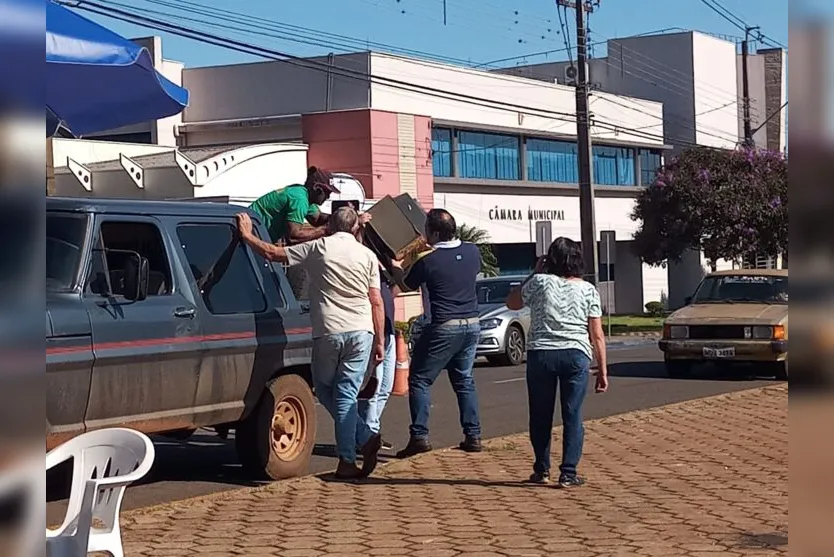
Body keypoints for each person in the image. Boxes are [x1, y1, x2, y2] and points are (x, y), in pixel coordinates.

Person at [236, 207, 385, 480]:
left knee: (329, 391)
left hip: (329, 330)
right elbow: (376, 300)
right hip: (362, 331)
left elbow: (273, 253)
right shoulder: (367, 256)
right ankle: (364, 437)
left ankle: (349, 458)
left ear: (330, 226)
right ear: (355, 229)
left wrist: (247, 236)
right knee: (345, 395)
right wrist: (380, 340)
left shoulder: (320, 248)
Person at [506, 237, 609, 489]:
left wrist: (534, 272)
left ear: (549, 260)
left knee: (540, 415)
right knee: (572, 414)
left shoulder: (540, 282)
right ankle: (568, 472)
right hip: (576, 354)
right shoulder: (587, 289)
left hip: (541, 354)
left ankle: (541, 469)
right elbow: (596, 334)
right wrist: (603, 370)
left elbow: (512, 302)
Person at [390, 208, 483, 458]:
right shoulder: (473, 251)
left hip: (444, 324)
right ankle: (472, 434)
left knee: (419, 380)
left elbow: (406, 285)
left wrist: (396, 267)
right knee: (464, 379)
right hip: (472, 323)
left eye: (427, 230)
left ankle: (419, 436)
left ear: (435, 232)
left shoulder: (427, 260)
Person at [357, 266, 397, 451]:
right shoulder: (366, 267)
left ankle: (369, 431)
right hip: (373, 334)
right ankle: (367, 436)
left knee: (386, 387)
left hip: (388, 332)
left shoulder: (385, 272)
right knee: (372, 388)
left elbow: (400, 285)